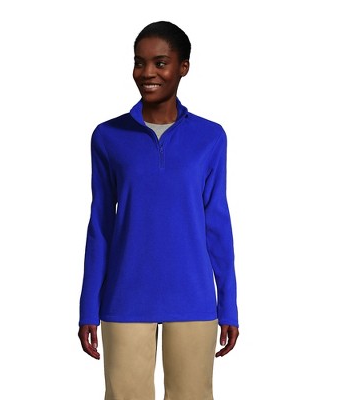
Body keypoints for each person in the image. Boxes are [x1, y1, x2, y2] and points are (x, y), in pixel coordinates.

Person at [78, 21, 239, 400]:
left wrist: (228, 304)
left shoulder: (210, 137)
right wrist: (88, 306)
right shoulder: (108, 136)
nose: (147, 72)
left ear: (183, 67)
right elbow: (100, 225)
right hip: (124, 296)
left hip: (193, 295)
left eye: (160, 63)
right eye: (140, 62)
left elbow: (217, 223)